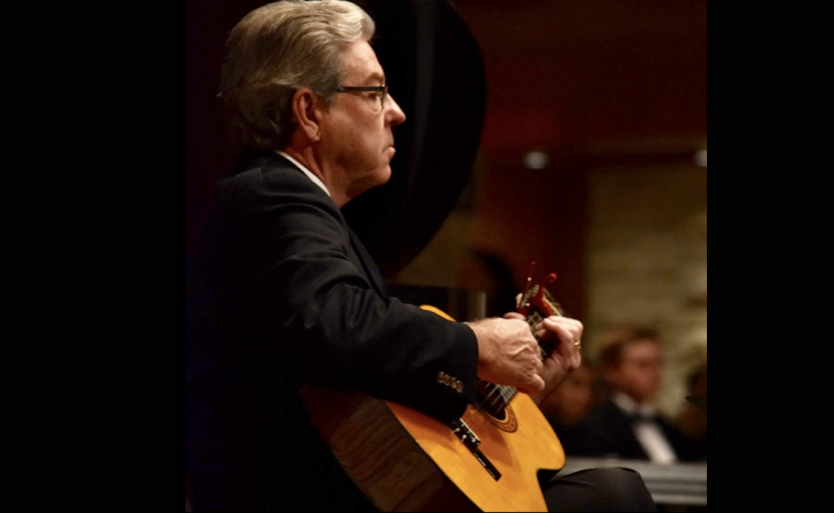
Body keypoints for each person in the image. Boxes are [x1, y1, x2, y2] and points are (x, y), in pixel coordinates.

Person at [184, 1, 656, 511]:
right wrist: (476, 345)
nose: (397, 112)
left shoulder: (295, 207)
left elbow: (362, 387)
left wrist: (507, 387)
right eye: (374, 91)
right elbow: (334, 322)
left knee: (608, 490)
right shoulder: (273, 196)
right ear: (308, 112)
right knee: (613, 494)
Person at [561, 325, 700, 462]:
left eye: (659, 363)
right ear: (611, 371)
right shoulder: (593, 427)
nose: (654, 373)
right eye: (642, 365)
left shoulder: (668, 427)